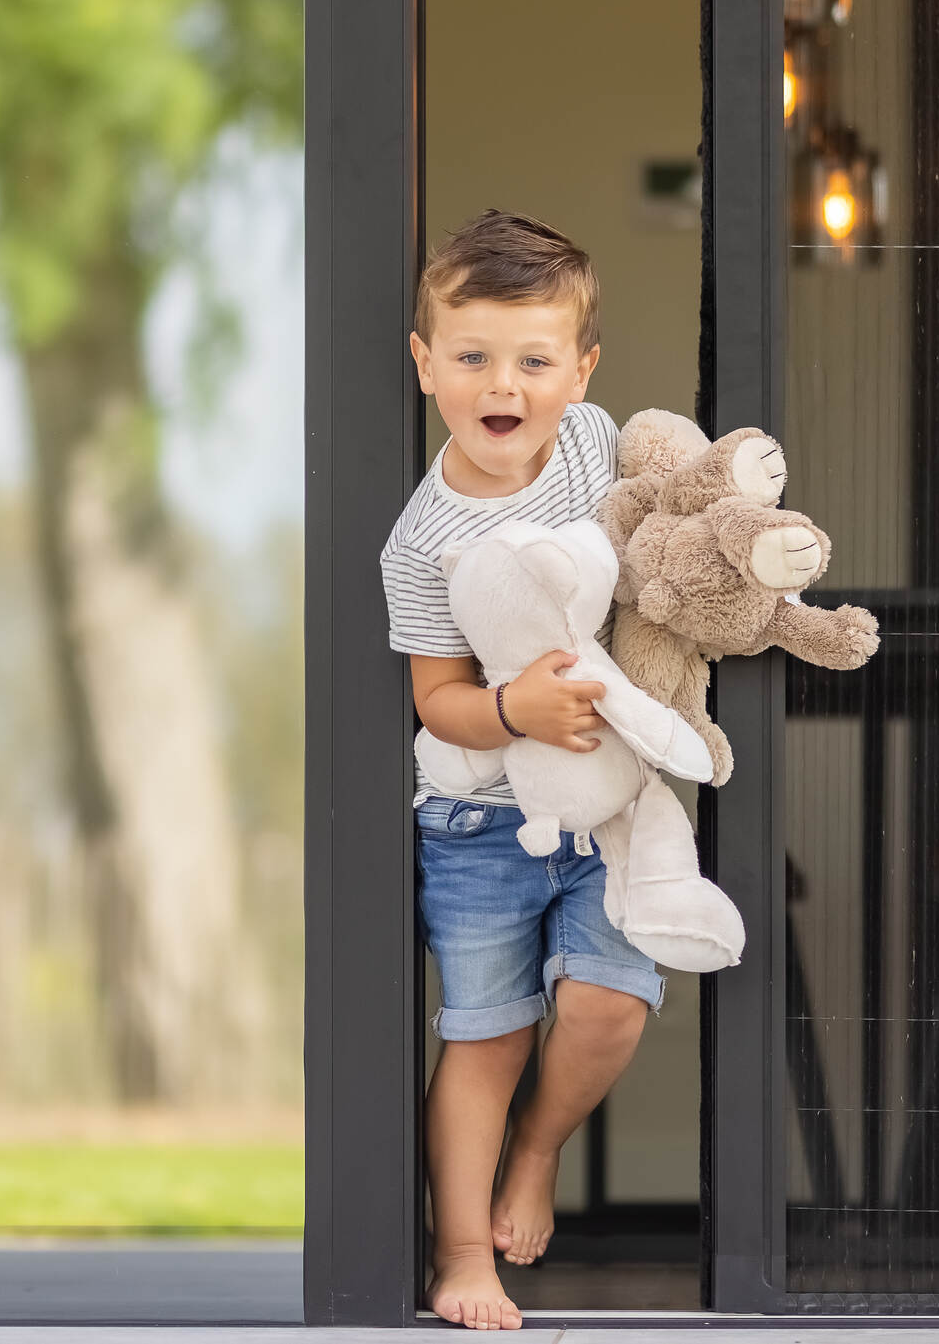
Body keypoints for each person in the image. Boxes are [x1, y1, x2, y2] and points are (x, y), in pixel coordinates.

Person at [382, 209, 658, 1331]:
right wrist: (512, 710)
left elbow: (670, 513)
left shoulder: (593, 443)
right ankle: (462, 1256)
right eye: (474, 357)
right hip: (477, 820)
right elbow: (435, 697)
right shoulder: (420, 534)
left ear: (580, 370)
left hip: (604, 808)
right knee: (486, 1030)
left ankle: (536, 1152)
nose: (506, 385)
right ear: (425, 365)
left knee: (609, 1006)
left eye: (536, 360)